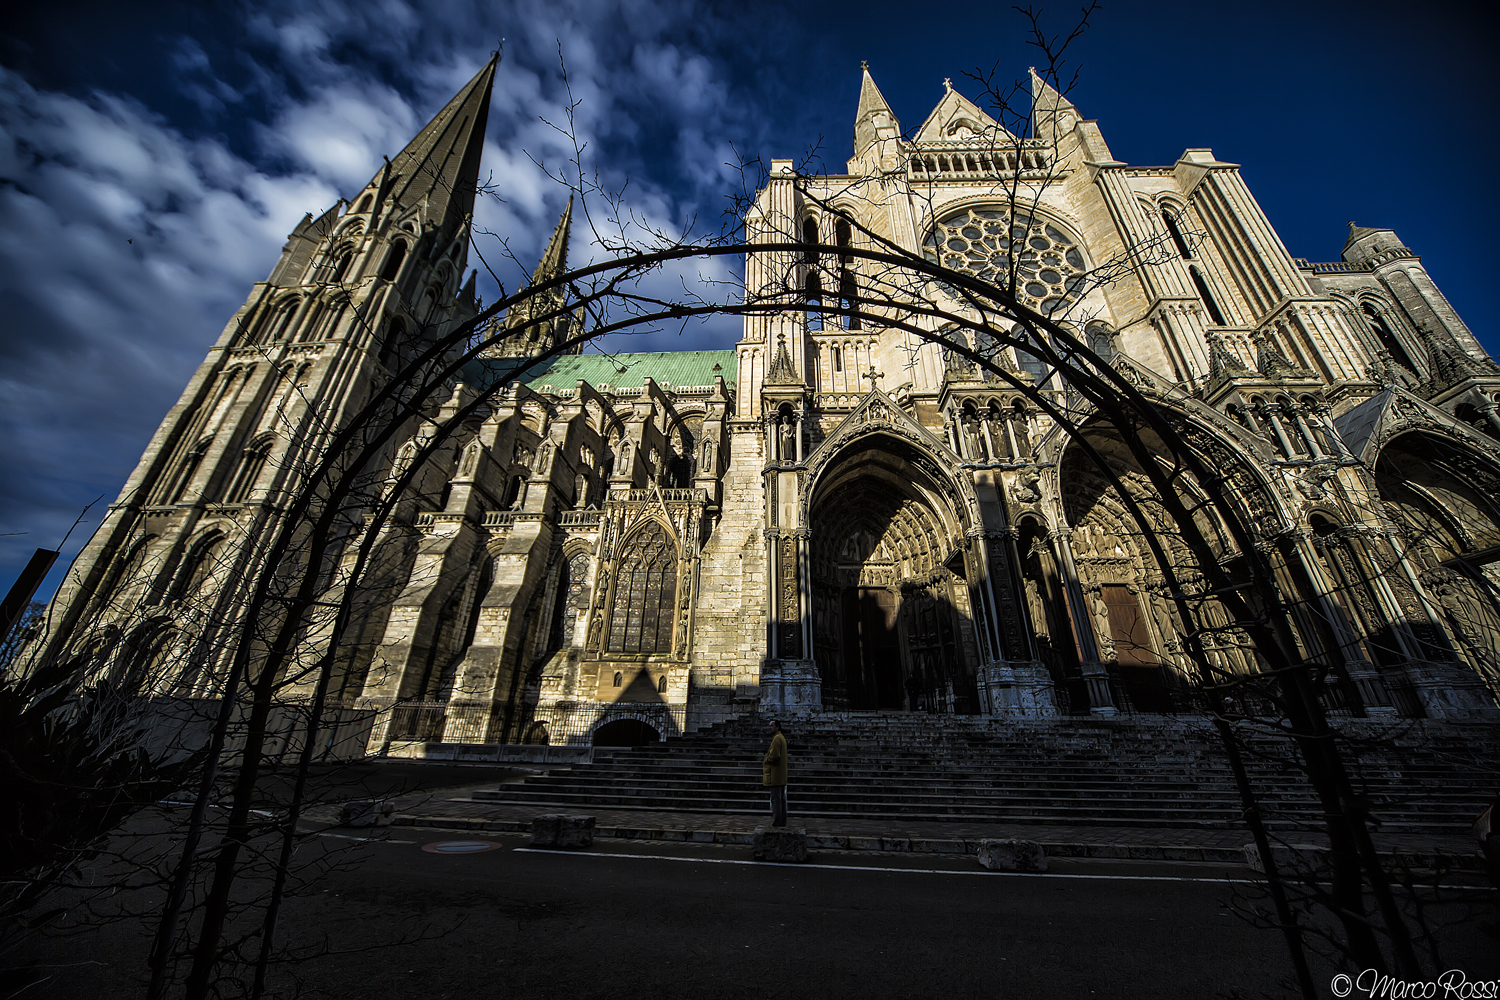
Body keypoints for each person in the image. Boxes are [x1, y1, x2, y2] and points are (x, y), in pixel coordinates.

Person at [763, 719, 788, 827]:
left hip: (775, 775)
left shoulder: (777, 739)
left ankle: (777, 822)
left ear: (778, 727)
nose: (770, 728)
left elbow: (774, 756)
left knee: (776, 801)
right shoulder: (780, 738)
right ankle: (781, 822)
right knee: (781, 800)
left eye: (772, 726)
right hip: (780, 775)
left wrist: (766, 760)